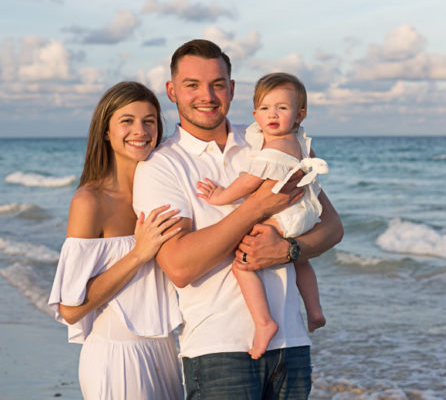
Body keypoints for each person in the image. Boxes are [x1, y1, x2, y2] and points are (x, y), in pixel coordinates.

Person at [133, 39, 343, 399]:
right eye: (192, 85)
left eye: (217, 84)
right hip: (219, 348)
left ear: (232, 89)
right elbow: (180, 267)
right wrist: (256, 207)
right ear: (172, 91)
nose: (207, 95)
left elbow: (332, 227)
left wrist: (288, 251)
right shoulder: (160, 166)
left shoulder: (269, 139)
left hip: (291, 343)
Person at [48, 82, 184, 400]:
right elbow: (70, 309)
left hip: (167, 352)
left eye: (149, 120)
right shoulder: (90, 201)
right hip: (117, 357)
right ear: (106, 132)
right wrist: (138, 254)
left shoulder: (164, 194)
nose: (140, 130)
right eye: (127, 120)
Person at [196, 72, 328, 359]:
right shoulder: (299, 140)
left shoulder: (273, 149)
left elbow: (250, 181)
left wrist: (220, 196)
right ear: (255, 113)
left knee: (242, 263)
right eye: (266, 108)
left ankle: (264, 322)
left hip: (285, 216)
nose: (273, 114)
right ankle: (315, 310)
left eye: (282, 108)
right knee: (300, 260)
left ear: (299, 114)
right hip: (305, 213)